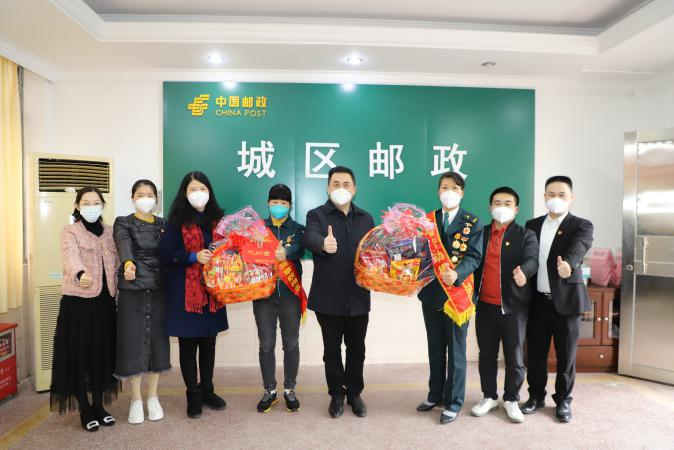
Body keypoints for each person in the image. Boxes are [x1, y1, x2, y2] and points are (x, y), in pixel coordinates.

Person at [302, 166, 375, 419]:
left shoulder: (366, 218)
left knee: (357, 349)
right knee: (331, 350)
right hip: (328, 297)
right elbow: (308, 237)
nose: (341, 189)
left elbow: (374, 252)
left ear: (354, 189)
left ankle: (354, 393)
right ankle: (336, 394)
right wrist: (322, 243)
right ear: (327, 188)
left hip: (358, 296)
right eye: (335, 184)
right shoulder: (317, 215)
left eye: (346, 184)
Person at [521, 175, 593, 423]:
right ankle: (535, 396)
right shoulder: (532, 225)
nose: (556, 199)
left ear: (571, 197)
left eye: (562, 195)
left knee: (566, 356)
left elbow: (579, 247)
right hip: (537, 302)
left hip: (567, 302)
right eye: (551, 194)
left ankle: (563, 401)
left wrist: (569, 265)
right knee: (535, 354)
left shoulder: (582, 225)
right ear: (544, 197)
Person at [50, 186, 121, 432]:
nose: (92, 207)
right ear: (77, 206)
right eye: (86, 203)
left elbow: (117, 261)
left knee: (102, 354)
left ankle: (99, 405)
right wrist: (80, 273)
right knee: (79, 356)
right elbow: (70, 257)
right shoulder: (70, 231)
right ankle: (84, 408)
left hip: (105, 303)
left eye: (96, 202)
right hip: (78, 303)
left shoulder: (110, 232)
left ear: (103, 205)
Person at [160, 171, 228, 419]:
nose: (198, 193)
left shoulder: (219, 221)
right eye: (193, 189)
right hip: (185, 295)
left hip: (212, 293)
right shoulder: (175, 222)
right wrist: (193, 256)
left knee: (209, 343)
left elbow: (229, 250)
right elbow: (166, 256)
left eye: (202, 189)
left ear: (209, 192)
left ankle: (208, 390)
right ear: (184, 193)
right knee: (188, 345)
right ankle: (193, 395)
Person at [417, 171, 483, 425]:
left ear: (462, 192)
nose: (449, 192)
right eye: (444, 187)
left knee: (456, 352)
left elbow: (474, 256)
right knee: (435, 348)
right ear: (438, 191)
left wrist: (457, 273)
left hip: (457, 296)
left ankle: (454, 402)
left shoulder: (472, 222)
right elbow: (420, 254)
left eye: (454, 188)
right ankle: (435, 395)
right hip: (432, 294)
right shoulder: (428, 220)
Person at [471, 186, 538, 422]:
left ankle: (511, 399)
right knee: (487, 355)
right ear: (490, 207)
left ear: (516, 209)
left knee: (514, 357)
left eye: (507, 203)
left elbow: (532, 260)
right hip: (485, 306)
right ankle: (489, 396)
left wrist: (524, 272)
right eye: (497, 203)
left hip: (513, 307)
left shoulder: (526, 235)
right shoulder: (480, 234)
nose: (502, 207)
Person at [113, 179, 171, 424]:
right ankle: (136, 399)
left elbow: (170, 253)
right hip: (132, 289)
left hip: (159, 289)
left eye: (149, 194)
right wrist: (128, 263)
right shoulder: (123, 222)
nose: (145, 198)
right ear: (132, 197)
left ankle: (153, 396)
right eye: (140, 194)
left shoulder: (164, 224)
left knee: (158, 342)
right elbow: (124, 244)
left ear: (156, 199)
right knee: (133, 342)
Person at [254, 184, 306, 413]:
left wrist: (287, 252)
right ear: (268, 203)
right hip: (263, 296)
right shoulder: (258, 229)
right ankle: (269, 390)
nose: (278, 206)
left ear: (290, 206)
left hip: (289, 296)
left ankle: (290, 389)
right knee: (266, 345)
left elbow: (300, 249)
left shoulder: (298, 229)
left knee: (291, 344)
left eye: (283, 203)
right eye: (275, 202)